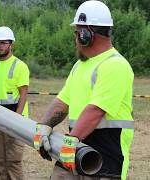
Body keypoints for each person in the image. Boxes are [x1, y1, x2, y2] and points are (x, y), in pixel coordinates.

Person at [36, 1, 134, 180]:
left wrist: (72, 140)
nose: (75, 39)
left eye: (77, 33)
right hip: (75, 150)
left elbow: (96, 110)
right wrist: (44, 126)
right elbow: (63, 102)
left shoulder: (115, 65)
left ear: (85, 34)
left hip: (105, 161)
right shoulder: (80, 66)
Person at [0, 26, 30, 180]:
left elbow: (23, 95)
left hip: (15, 120)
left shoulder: (20, 66)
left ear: (11, 44)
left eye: (3, 43)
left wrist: (17, 119)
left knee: (13, 162)